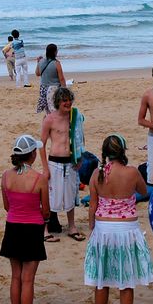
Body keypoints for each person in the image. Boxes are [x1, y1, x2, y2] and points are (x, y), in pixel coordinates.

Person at [84, 134, 153, 304]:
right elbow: (144, 191)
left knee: (101, 280)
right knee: (126, 280)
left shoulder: (96, 174)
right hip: (126, 229)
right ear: (123, 151)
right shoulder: (131, 172)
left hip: (103, 229)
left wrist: (92, 229)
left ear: (105, 153)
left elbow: (92, 205)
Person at [0, 134, 49, 304]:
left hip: (13, 226)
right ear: (32, 155)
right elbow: (46, 210)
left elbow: (6, 205)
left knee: (15, 276)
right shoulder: (39, 179)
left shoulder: (6, 176)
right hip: (32, 228)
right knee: (28, 279)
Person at [40, 87, 86, 241]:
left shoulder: (75, 116)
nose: (67, 103)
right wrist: (45, 168)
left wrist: (80, 158)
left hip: (71, 162)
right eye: (64, 100)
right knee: (51, 197)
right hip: (55, 163)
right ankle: (45, 230)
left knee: (71, 195)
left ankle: (72, 226)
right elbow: (41, 144)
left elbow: (80, 138)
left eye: (69, 100)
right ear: (58, 102)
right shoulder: (49, 119)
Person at [35, 43, 66, 113]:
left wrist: (38, 63)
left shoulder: (41, 61)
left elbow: (37, 73)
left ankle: (50, 121)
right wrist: (64, 89)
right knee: (55, 108)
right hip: (54, 88)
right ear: (55, 52)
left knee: (48, 110)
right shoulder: (57, 63)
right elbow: (61, 78)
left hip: (43, 89)